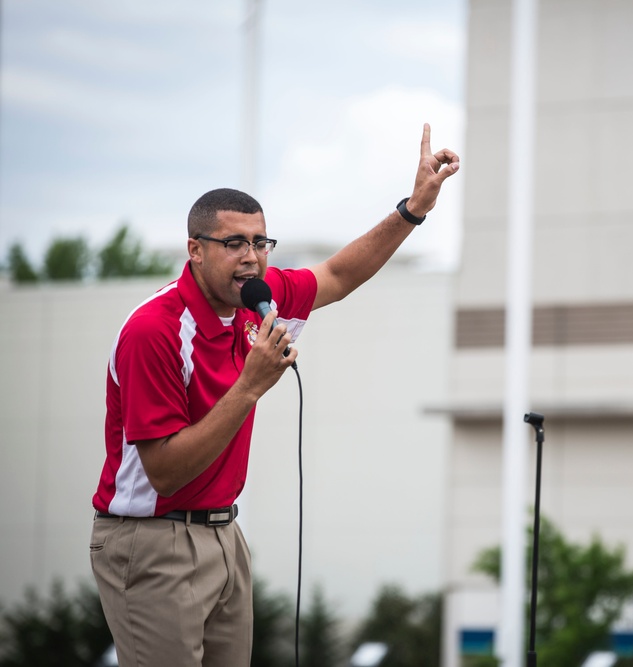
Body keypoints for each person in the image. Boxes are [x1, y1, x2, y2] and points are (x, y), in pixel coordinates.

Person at [89, 124, 459, 667]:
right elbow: (165, 472)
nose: (252, 257)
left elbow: (337, 273)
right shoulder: (155, 330)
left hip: (223, 531)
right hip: (150, 541)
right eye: (234, 243)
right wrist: (250, 386)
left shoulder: (255, 302)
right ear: (194, 249)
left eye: (260, 242)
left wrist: (412, 210)